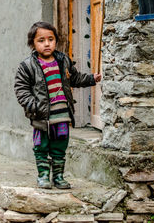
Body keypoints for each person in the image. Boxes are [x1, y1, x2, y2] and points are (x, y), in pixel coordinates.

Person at [14, 21, 102, 189]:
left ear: (56, 41)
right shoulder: (27, 66)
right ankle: (43, 176)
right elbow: (21, 89)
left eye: (51, 39)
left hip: (62, 115)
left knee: (60, 145)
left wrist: (91, 78)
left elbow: (74, 78)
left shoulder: (63, 61)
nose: (47, 44)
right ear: (32, 43)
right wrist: (34, 106)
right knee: (41, 146)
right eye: (41, 40)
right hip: (42, 116)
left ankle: (59, 177)